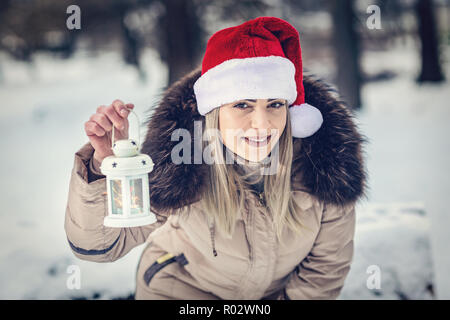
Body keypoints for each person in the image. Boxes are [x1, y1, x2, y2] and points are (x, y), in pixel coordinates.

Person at [64, 17, 367, 300]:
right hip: (180, 291)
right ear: (214, 112)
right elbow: (99, 246)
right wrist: (105, 167)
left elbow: (325, 267)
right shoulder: (182, 162)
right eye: (242, 105)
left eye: (274, 104)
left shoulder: (324, 163)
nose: (262, 123)